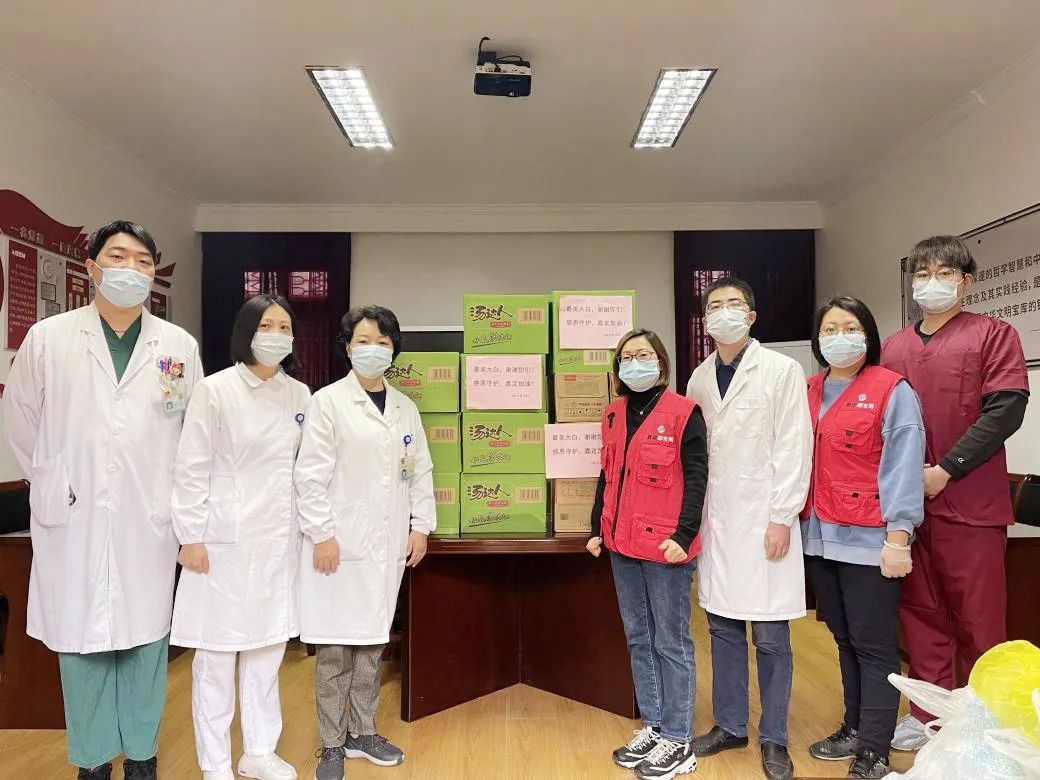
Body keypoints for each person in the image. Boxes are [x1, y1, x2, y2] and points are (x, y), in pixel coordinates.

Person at [2, 220, 202, 780]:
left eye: (143, 261)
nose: (130, 269)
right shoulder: (49, 338)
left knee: (146, 640)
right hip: (75, 511)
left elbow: (192, 433)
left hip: (149, 515)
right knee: (81, 642)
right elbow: (22, 421)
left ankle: (141, 756)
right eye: (118, 257)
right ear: (91, 268)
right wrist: (54, 477)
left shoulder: (178, 346)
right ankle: (92, 761)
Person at [881, 235, 1029, 751]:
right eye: (922, 274)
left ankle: (982, 720)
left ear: (966, 281)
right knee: (920, 615)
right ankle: (928, 716)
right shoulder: (894, 347)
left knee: (978, 619)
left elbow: (1005, 409)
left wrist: (946, 469)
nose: (932, 283)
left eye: (945, 273)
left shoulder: (994, 335)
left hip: (969, 504)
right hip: (908, 510)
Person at [170, 295, 311, 780]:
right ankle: (214, 764)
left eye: (285, 327)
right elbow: (191, 467)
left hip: (279, 541)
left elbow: (307, 469)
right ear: (246, 332)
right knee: (216, 655)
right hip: (220, 542)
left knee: (267, 649)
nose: (276, 335)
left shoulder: (300, 395)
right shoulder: (215, 390)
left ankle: (259, 751)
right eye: (266, 325)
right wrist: (190, 535)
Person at [295, 305, 436, 780]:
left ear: (394, 350)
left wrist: (421, 526)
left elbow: (420, 471)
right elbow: (309, 477)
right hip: (338, 548)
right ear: (347, 347)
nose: (373, 349)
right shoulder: (328, 402)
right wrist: (322, 534)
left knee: (372, 645)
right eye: (363, 341)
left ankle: (363, 731)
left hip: (385, 547)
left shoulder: (404, 408)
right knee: (335, 651)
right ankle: (332, 743)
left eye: (382, 342)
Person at [685, 277, 812, 780]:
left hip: (765, 519)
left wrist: (782, 516)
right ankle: (731, 724)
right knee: (722, 628)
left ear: (752, 316)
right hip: (719, 522)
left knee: (771, 634)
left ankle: (775, 737)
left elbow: (794, 446)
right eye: (714, 306)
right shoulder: (698, 379)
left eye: (733, 304)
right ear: (705, 321)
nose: (724, 312)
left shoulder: (781, 370)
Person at [800, 296, 925, 779]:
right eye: (829, 329)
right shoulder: (809, 389)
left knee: (873, 644)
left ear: (868, 335)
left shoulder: (892, 389)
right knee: (843, 637)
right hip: (818, 536)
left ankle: (874, 749)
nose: (840, 337)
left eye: (850, 328)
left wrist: (899, 538)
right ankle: (854, 728)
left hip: (871, 540)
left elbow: (904, 468)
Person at [587, 329, 709, 780]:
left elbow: (697, 478)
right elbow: (608, 476)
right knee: (639, 637)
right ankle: (655, 726)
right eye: (626, 357)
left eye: (643, 354)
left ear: (660, 362)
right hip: (621, 544)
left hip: (665, 546)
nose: (634, 363)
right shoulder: (613, 414)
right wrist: (597, 528)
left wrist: (684, 534)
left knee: (670, 641)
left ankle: (678, 738)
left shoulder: (684, 413)